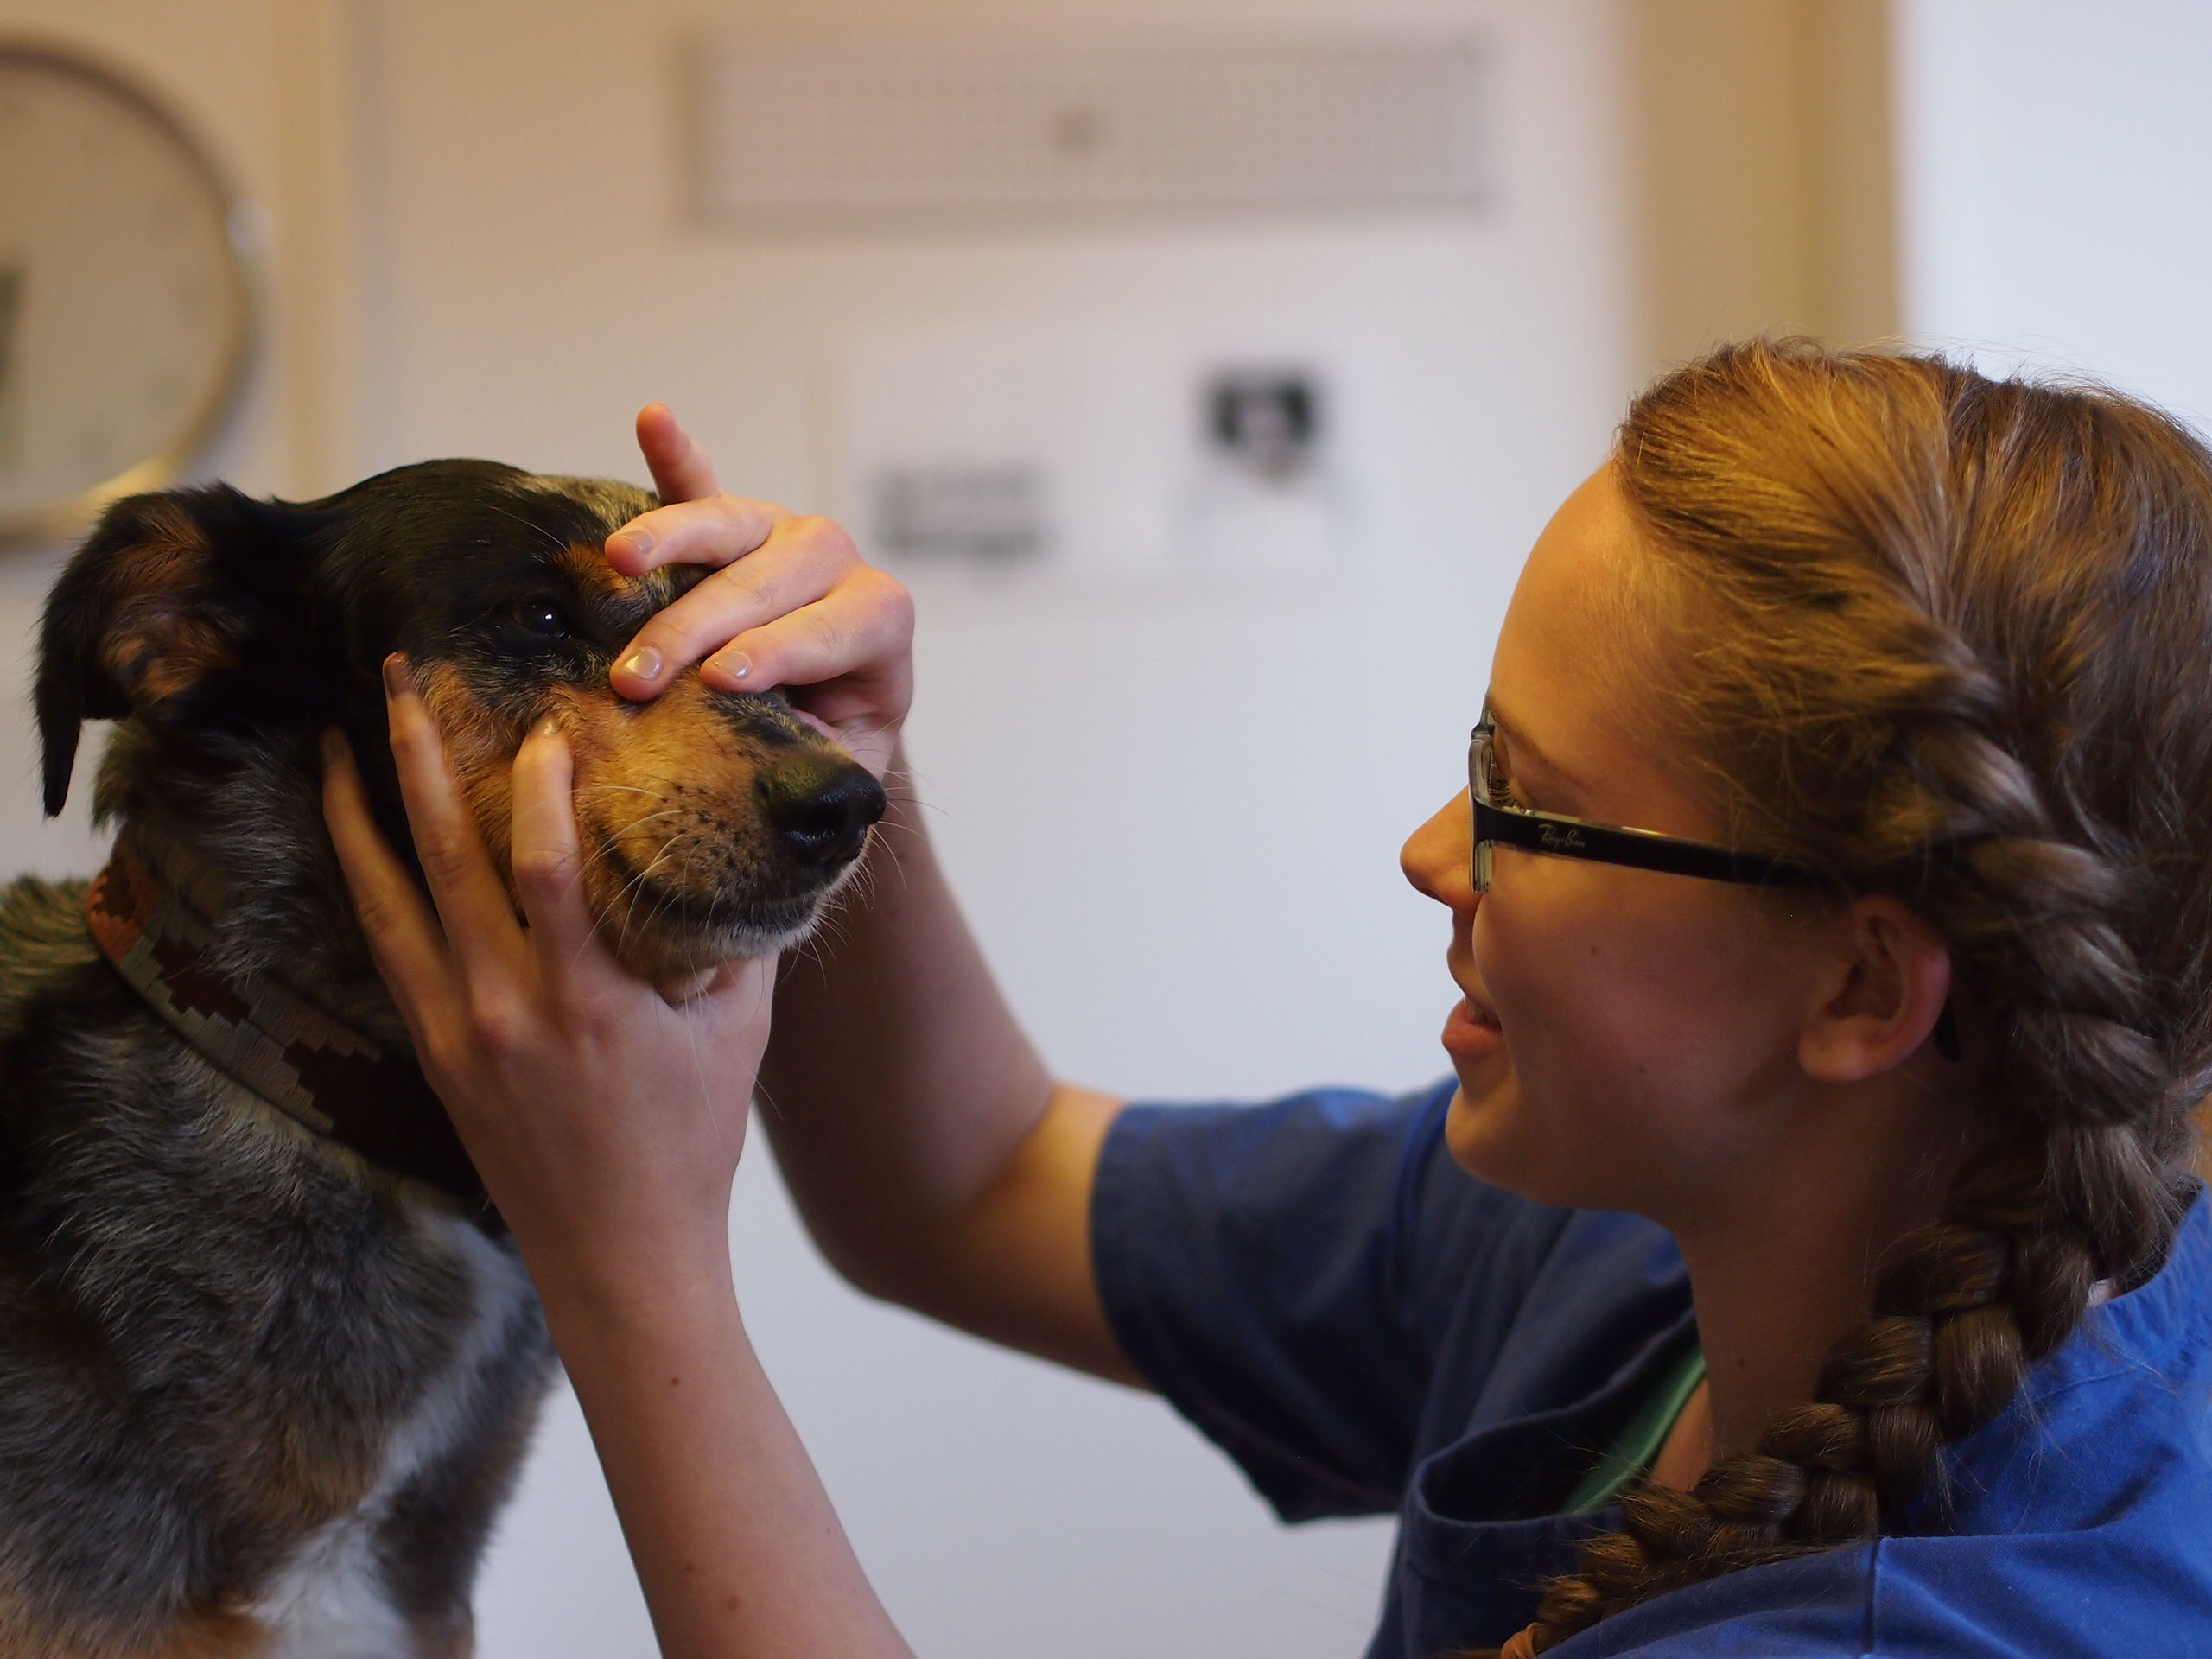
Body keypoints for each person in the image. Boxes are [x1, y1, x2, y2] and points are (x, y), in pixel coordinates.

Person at [321, 344, 2212, 1658]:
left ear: (1861, 984)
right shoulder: (1632, 1258)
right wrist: (841, 757)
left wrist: (627, 1257)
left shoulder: (2003, 1619)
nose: (1426, 853)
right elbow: (962, 1184)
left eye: (1522, 804)